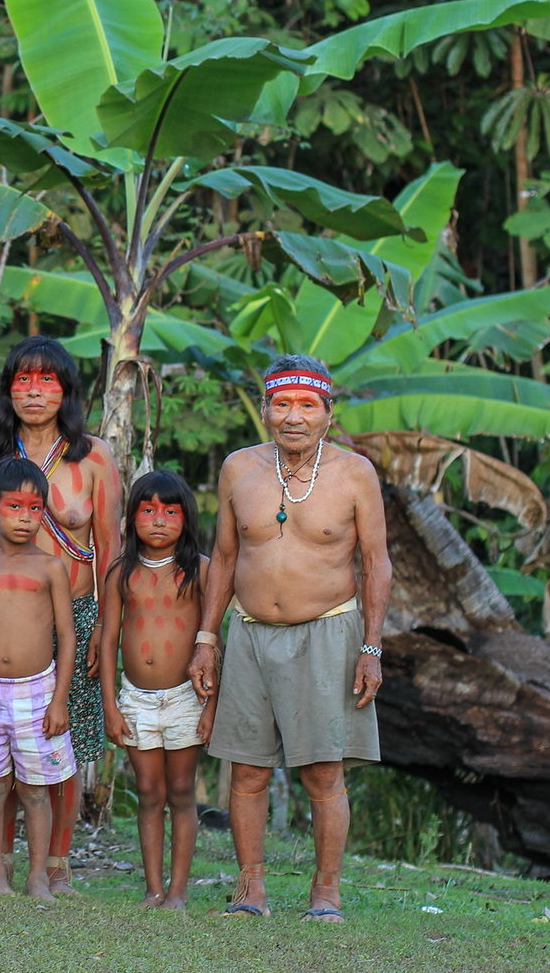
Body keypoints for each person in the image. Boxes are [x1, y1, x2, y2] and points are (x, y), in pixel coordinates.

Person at [189, 354, 389, 923]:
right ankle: (250, 891)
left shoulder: (355, 474)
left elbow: (376, 564)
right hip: (250, 634)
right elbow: (226, 555)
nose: (293, 417)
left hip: (329, 633)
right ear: (265, 410)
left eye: (307, 405)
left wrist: (371, 647)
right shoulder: (238, 468)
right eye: (282, 404)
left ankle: (326, 895)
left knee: (323, 771)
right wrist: (207, 637)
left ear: (328, 412)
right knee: (246, 770)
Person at [0, 336, 120, 896]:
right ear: (8, 388)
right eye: (23, 379)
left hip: (74, 613)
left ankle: (56, 865)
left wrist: (103, 624)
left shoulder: (93, 456)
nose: (34, 391)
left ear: (66, 390)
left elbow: (111, 549)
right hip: (0, 621)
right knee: (1, 753)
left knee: (62, 744)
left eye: (47, 380)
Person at [0, 457, 76, 901]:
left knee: (36, 790)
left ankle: (38, 877)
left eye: (35, 508)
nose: (26, 518)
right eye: (14, 507)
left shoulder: (49, 568)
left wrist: (59, 699)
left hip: (38, 693)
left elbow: (66, 635)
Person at [98, 470, 212, 910]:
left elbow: (212, 639)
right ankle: (153, 889)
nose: (159, 520)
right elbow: (108, 640)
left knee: (182, 791)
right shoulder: (121, 572)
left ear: (185, 518)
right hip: (136, 697)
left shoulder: (200, 569)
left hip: (187, 695)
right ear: (132, 518)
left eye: (169, 511)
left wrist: (211, 705)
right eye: (148, 511)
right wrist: (111, 704)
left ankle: (179, 892)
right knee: (149, 792)